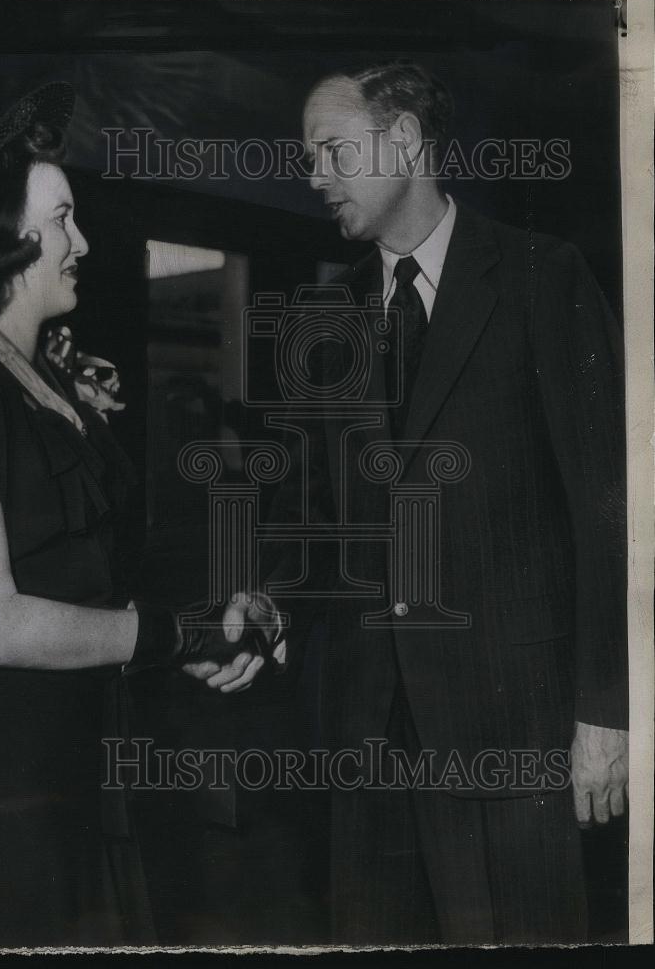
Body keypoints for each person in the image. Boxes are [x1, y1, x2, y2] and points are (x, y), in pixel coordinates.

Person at [210, 61, 628, 944]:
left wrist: (605, 713)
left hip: (516, 730)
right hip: (368, 736)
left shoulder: (542, 278)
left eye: (329, 149)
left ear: (402, 138)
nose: (312, 175)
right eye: (307, 156)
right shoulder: (327, 318)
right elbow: (318, 522)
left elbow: (609, 511)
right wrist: (272, 599)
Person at [0, 82, 264, 948]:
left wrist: (202, 635)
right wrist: (172, 638)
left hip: (65, 768)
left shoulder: (48, 389)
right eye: (62, 220)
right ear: (4, 243)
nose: (81, 242)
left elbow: (81, 584)